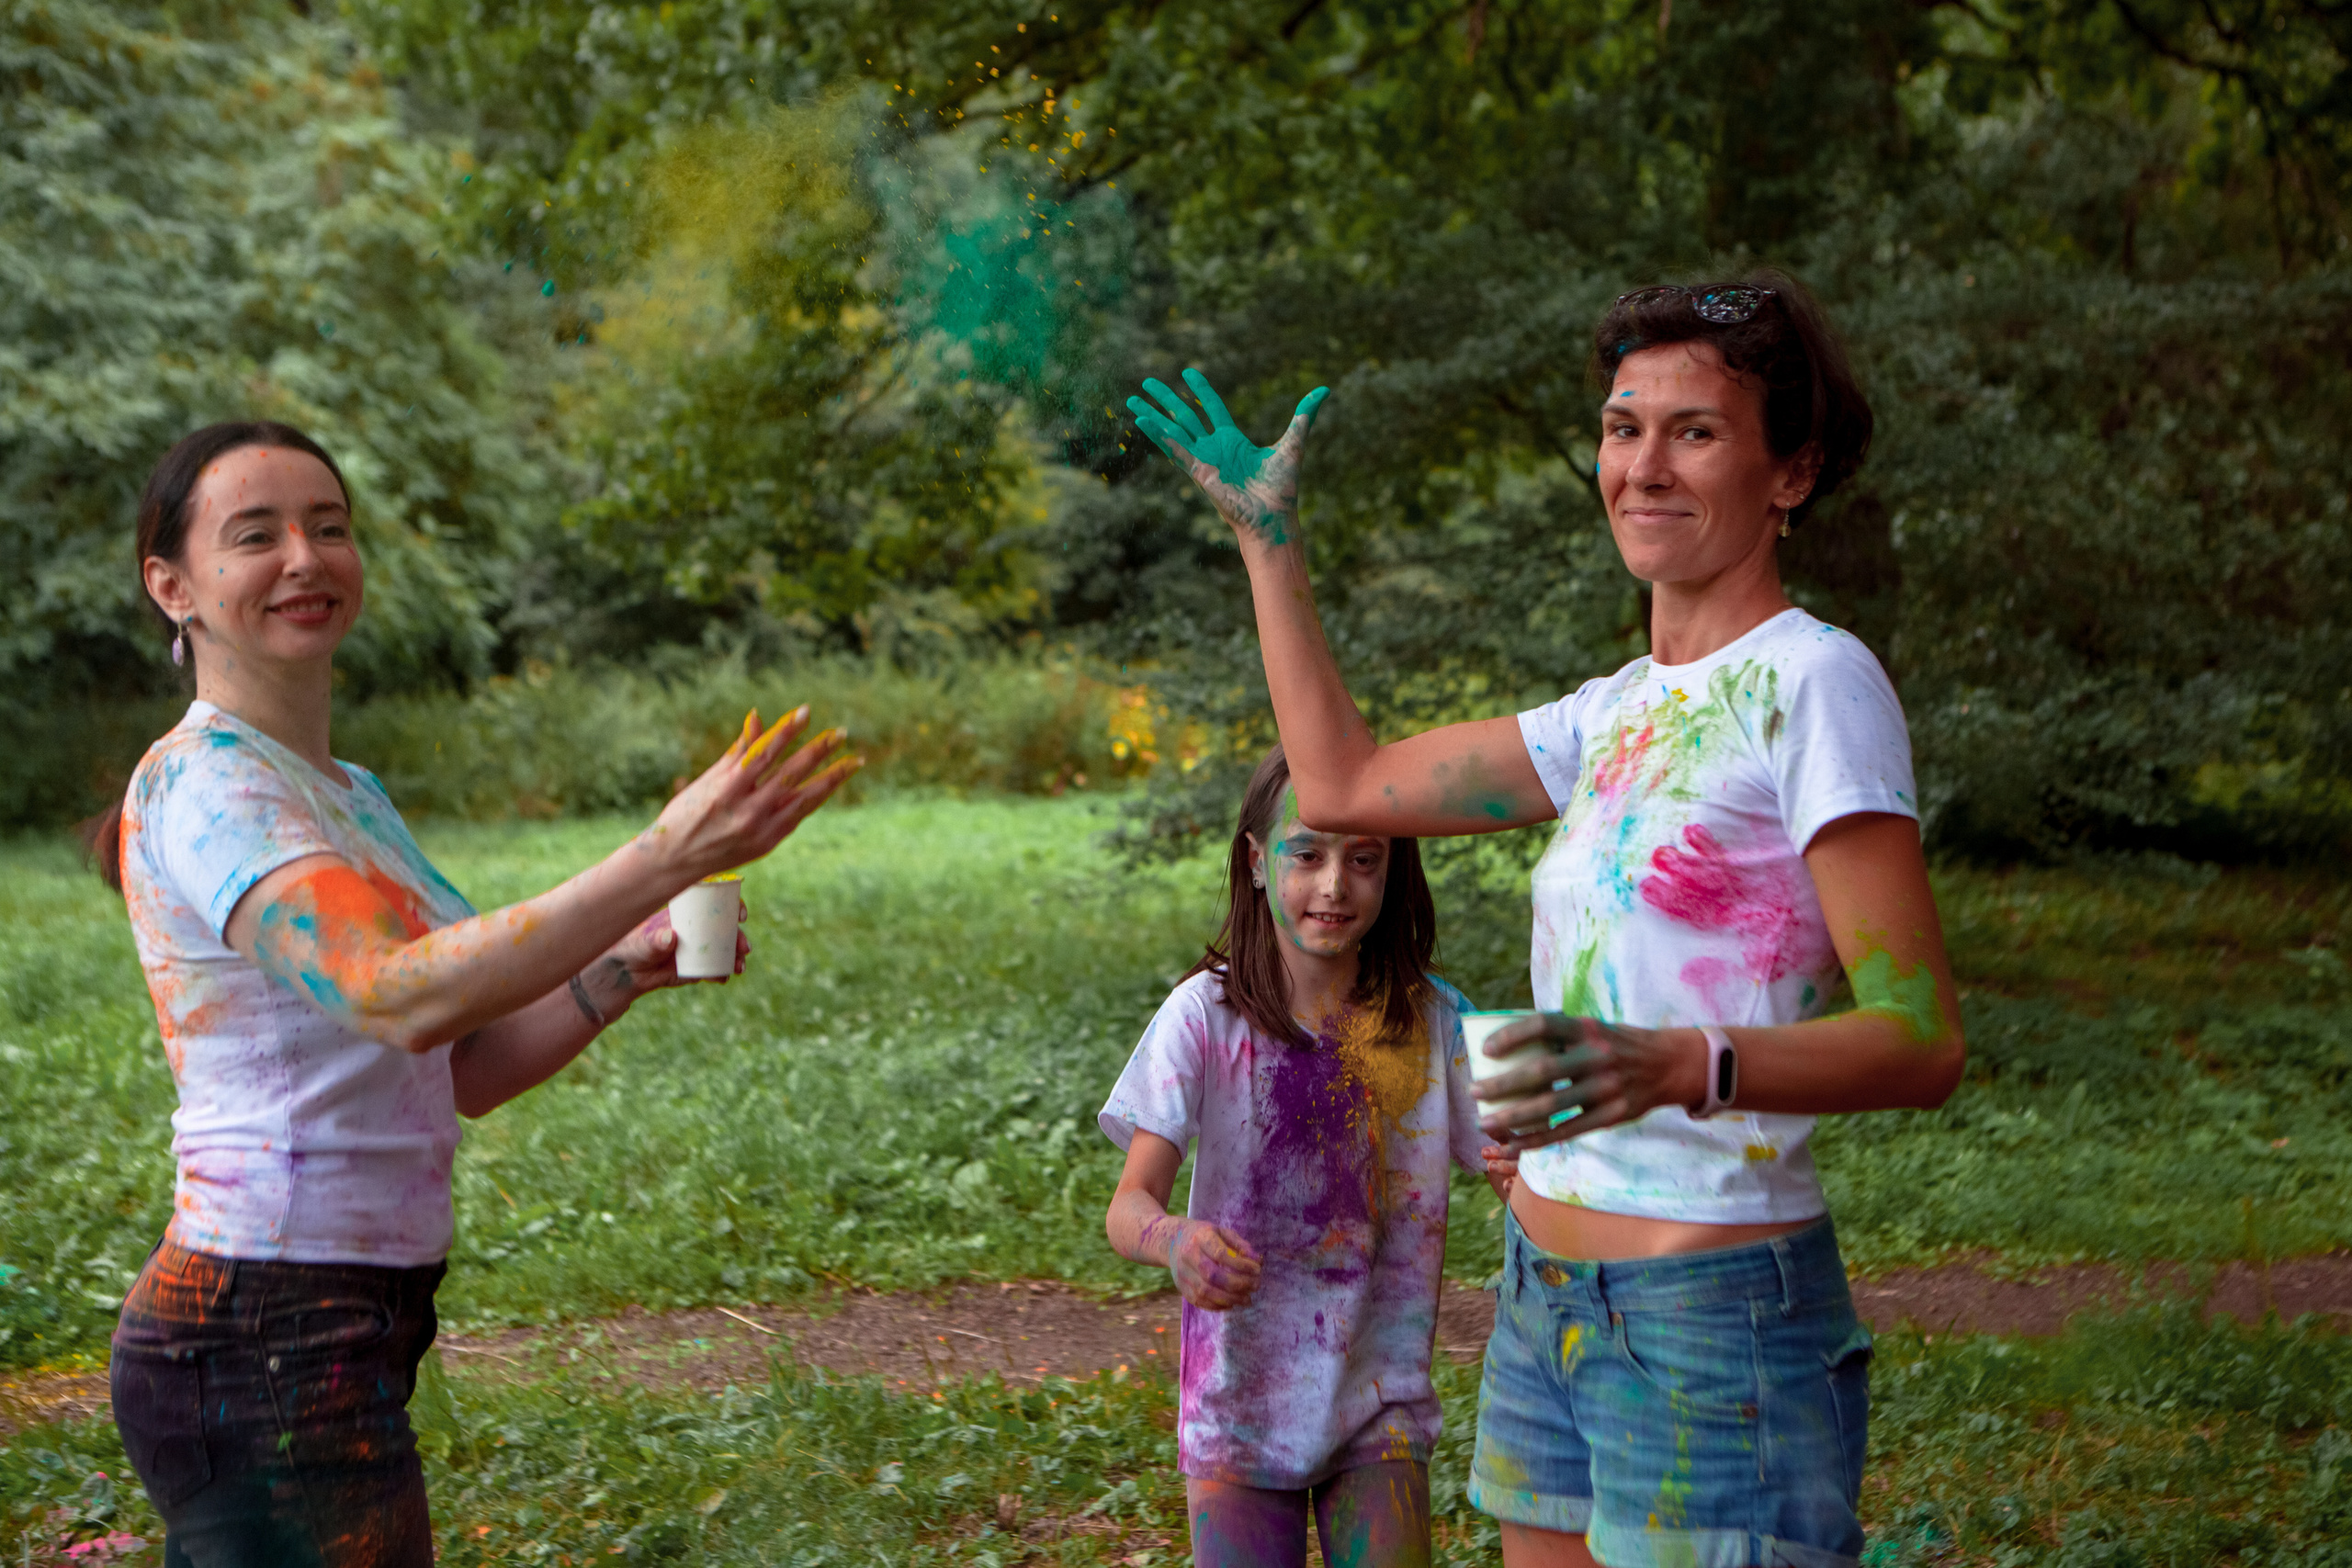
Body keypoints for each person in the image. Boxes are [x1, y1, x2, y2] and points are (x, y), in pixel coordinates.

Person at [1125, 272, 1967, 1568]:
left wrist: (1682, 1060)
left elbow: (1921, 1041)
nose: (1644, 464)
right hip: (1546, 1297)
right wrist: (1267, 543)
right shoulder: (1611, 713)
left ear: (1789, 471)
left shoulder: (1816, 682)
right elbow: (1346, 784)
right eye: (1625, 426)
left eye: (1696, 431)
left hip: (1712, 1308)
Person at [85, 422, 861, 1567]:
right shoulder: (206, 782)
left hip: (344, 1317)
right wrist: (662, 854)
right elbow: (392, 994)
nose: (305, 557)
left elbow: (461, 1066)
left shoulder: (349, 795)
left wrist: (619, 975)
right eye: (256, 536)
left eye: (329, 527)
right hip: (259, 1327)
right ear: (174, 586)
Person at [1099, 744, 1512, 1568]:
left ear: (1394, 867)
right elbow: (1128, 1204)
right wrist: (1174, 1238)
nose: (1335, 884)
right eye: (1307, 854)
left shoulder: (1437, 1022)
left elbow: (1533, 1164)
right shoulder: (1203, 1017)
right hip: (1238, 1409)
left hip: (1380, 1408)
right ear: (1257, 863)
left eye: (1364, 859)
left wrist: (1534, 1175)